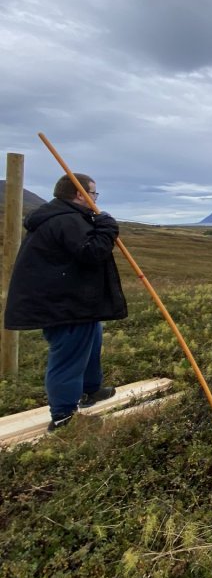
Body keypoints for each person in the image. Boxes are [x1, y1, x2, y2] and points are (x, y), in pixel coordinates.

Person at [3, 173, 128, 431]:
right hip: (64, 305)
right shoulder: (66, 221)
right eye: (93, 194)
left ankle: (90, 391)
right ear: (80, 194)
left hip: (75, 301)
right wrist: (107, 228)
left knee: (92, 341)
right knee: (69, 357)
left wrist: (99, 225)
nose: (95, 199)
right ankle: (63, 417)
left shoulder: (65, 217)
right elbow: (91, 252)